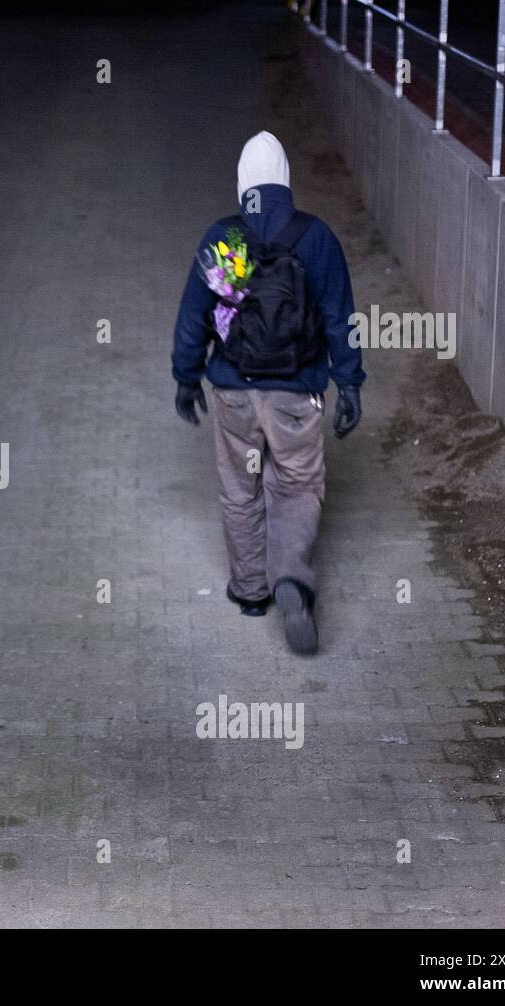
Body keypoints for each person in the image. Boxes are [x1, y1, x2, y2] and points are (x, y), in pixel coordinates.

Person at [171, 132, 365, 655]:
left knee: (240, 487)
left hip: (233, 390)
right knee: (297, 485)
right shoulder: (316, 238)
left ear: (241, 185)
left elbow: (194, 317)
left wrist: (187, 376)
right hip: (296, 394)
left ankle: (251, 590)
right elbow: (340, 318)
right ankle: (291, 580)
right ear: (285, 182)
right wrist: (349, 383)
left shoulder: (222, 240)